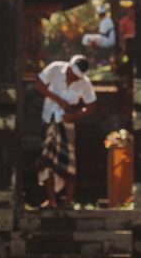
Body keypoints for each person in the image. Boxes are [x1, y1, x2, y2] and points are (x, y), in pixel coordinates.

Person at [35, 55, 96, 209]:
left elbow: (91, 106)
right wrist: (58, 100)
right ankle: (51, 199)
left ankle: (68, 200)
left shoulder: (84, 84)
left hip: (66, 124)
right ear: (68, 68)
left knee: (68, 162)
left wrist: (74, 116)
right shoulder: (55, 68)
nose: (73, 78)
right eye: (71, 74)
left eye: (76, 77)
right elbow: (39, 85)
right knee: (48, 159)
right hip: (49, 118)